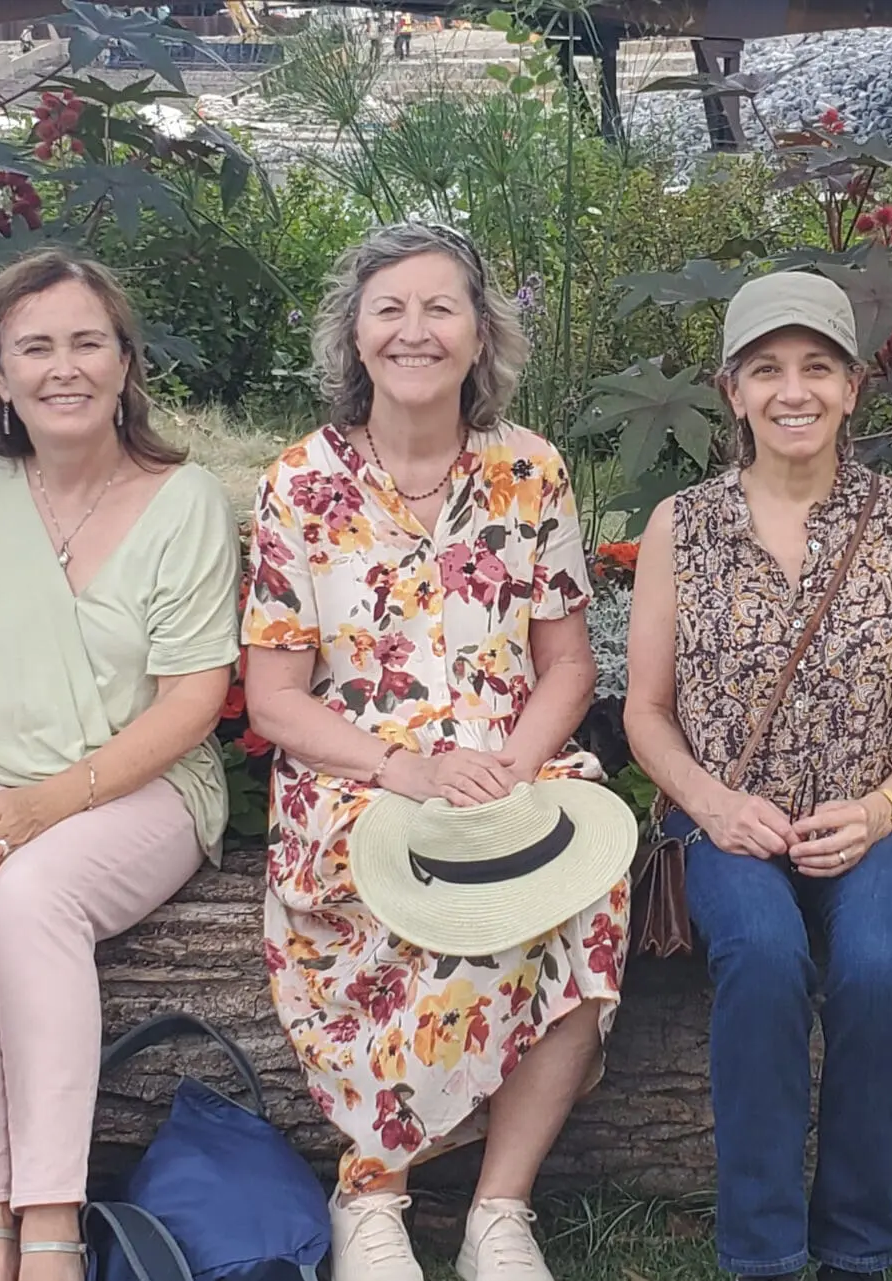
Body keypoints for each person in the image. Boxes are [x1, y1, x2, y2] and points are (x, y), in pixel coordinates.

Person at [242, 222, 625, 1281]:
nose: (414, 330)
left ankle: (499, 1210)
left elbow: (566, 667)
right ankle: (373, 1192)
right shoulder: (298, 484)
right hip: (358, 770)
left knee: (580, 886)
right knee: (410, 887)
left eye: (439, 307)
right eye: (389, 309)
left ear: (479, 333)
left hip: (509, 756)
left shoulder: (528, 471)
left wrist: (508, 765)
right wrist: (404, 770)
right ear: (354, 338)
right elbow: (274, 700)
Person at [0, 249, 242, 1281]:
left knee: (31, 896)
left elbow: (190, 702)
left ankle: (47, 1220)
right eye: (34, 347)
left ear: (126, 364)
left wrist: (49, 805)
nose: (64, 367)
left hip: (141, 785)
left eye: (88, 342)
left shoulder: (186, 500)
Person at [621, 272, 892, 1281]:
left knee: (876, 970)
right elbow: (645, 711)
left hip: (883, 815)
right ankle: (765, 1255)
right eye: (765, 369)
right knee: (765, 961)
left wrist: (879, 810)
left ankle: (858, 1248)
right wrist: (711, 804)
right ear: (732, 391)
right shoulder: (679, 528)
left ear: (853, 387)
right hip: (723, 817)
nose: (793, 391)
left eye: (816, 366)